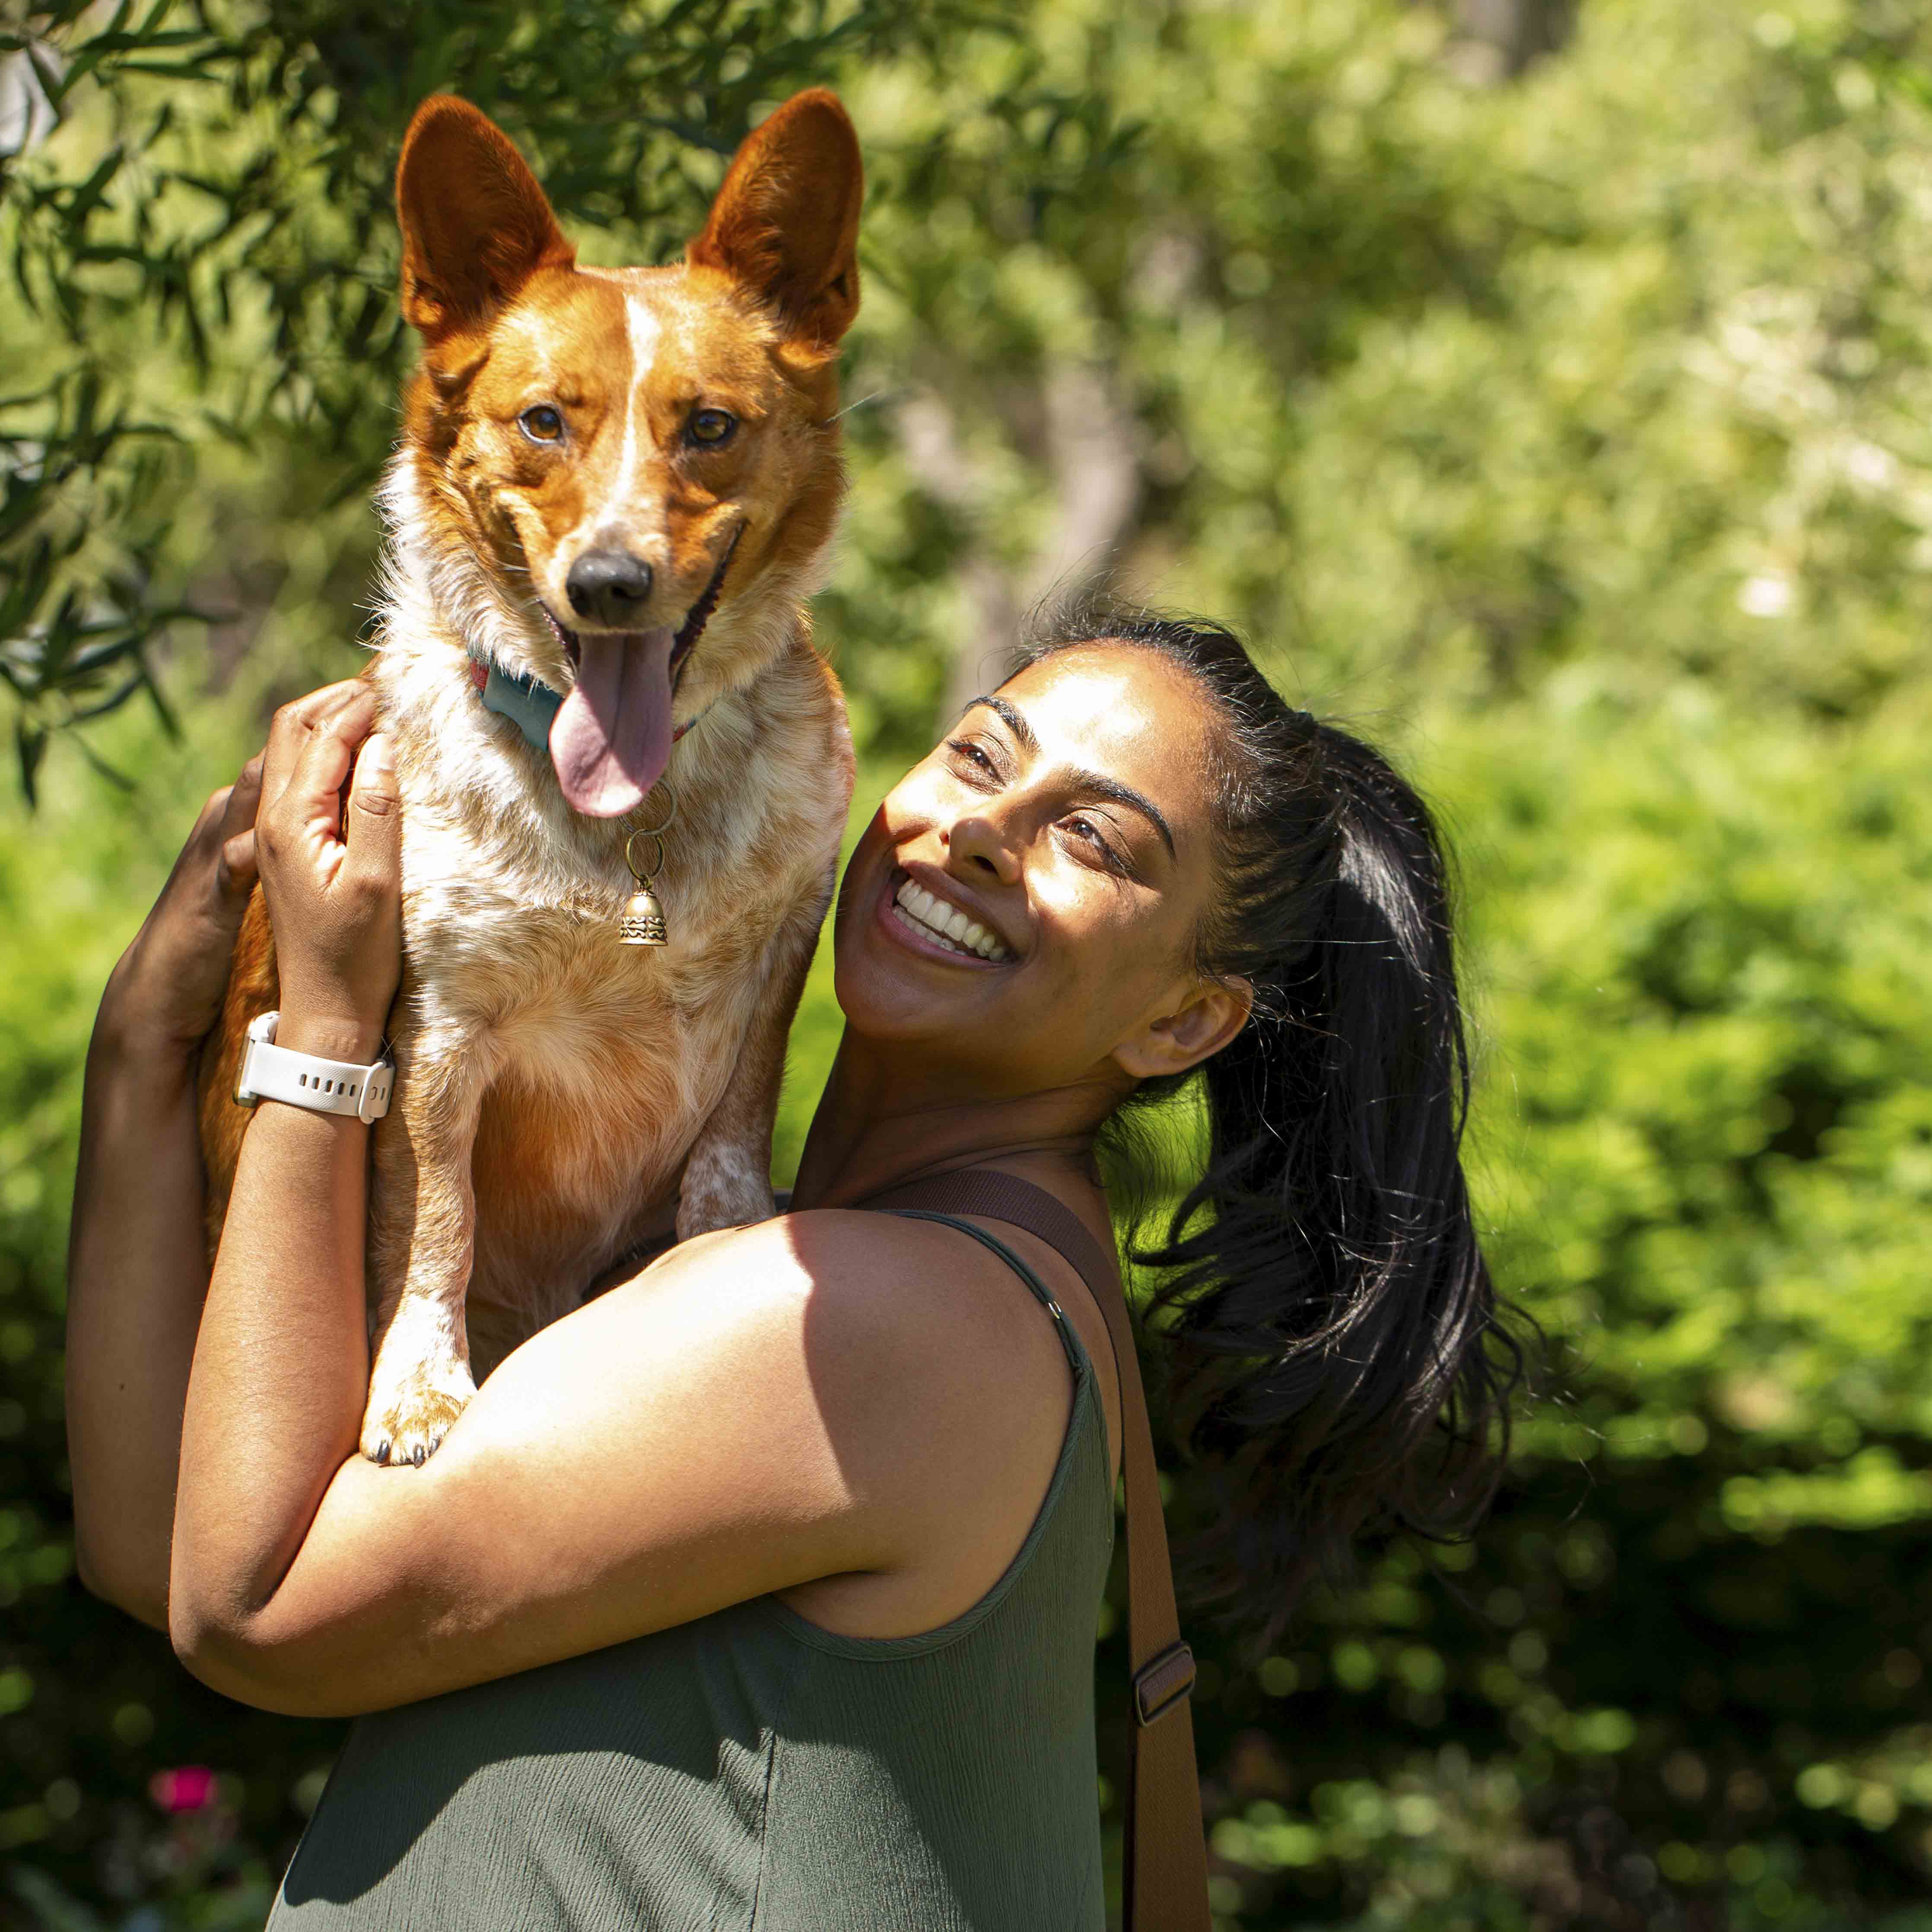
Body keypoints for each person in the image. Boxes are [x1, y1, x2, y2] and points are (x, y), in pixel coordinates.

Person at [66, 604, 1517, 1929]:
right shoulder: (880, 1279)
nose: (982, 830)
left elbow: (252, 1605)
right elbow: (160, 1544)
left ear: (1183, 1025)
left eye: (1096, 841)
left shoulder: (880, 1316)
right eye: (977, 755)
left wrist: (325, 1024)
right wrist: (147, 1045)